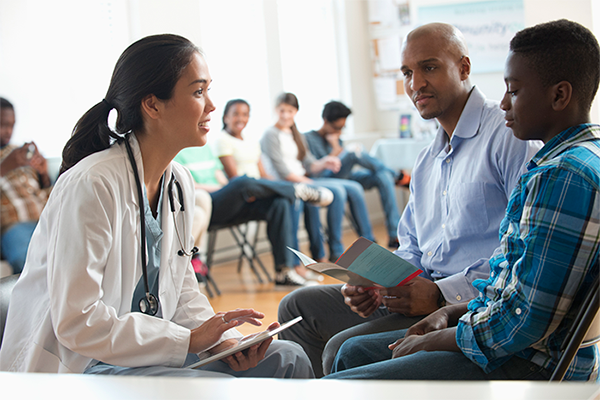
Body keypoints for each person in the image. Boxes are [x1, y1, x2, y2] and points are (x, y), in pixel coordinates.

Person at [0, 34, 313, 378]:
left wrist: (222, 342)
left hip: (146, 350)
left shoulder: (178, 181)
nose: (211, 106)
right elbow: (77, 322)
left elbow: (180, 290)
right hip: (84, 363)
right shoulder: (92, 184)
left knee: (289, 357)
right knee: (204, 385)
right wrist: (188, 340)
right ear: (152, 105)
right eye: (198, 92)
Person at [325, 19, 600, 381]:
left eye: (514, 92)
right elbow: (511, 284)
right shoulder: (560, 162)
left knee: (337, 382)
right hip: (496, 331)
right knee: (351, 351)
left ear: (559, 96)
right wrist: (452, 314)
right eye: (407, 71)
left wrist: (446, 334)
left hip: (528, 361)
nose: (502, 103)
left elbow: (525, 321)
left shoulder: (563, 176)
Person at [278, 22, 541, 377]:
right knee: (297, 305)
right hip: (418, 294)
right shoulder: (426, 158)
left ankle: (339, 386)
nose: (416, 84)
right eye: (407, 72)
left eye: (429, 67)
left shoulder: (508, 137)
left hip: (464, 305)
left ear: (463, 68)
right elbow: (413, 245)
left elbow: (523, 250)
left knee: (342, 349)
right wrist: (378, 283)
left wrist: (440, 293)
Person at [174, 142, 328, 288]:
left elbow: (220, 177)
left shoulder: (204, 148)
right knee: (242, 183)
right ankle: (294, 189)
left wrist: (231, 192)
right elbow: (190, 187)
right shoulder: (175, 151)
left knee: (278, 203)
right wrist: (229, 190)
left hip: (225, 202)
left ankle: (284, 273)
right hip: (206, 206)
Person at [261, 93, 376, 263]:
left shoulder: (295, 133)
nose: (285, 115)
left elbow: (310, 164)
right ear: (275, 110)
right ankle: (334, 250)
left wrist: (326, 162)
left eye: (290, 111)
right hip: (289, 183)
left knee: (354, 187)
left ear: (296, 112)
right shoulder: (270, 135)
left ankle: (364, 244)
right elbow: (283, 172)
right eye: (281, 111)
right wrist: (308, 182)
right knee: (337, 191)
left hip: (303, 180)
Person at [304, 101, 410, 248]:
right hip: (325, 179)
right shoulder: (308, 139)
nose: (339, 132)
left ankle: (394, 234)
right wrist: (335, 149)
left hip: (346, 177)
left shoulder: (336, 136)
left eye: (342, 128)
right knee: (354, 151)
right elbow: (313, 170)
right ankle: (398, 177)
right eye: (337, 128)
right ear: (325, 121)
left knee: (383, 176)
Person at [0, 97, 52, 274]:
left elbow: (45, 193)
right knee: (28, 263)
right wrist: (6, 166)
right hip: (15, 225)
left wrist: (44, 173)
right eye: (3, 124)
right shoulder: (13, 158)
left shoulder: (19, 152)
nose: (8, 131)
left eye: (12, 125)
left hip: (45, 221)